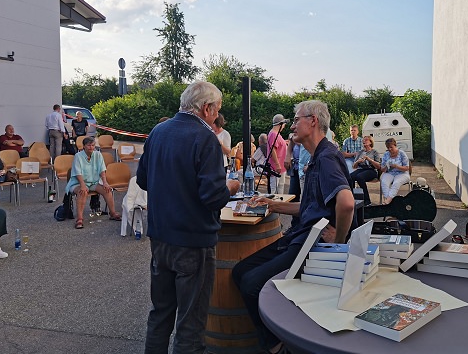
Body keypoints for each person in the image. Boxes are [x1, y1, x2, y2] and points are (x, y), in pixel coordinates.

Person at [232, 100, 355, 354]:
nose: (291, 126)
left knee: (252, 283)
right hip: (300, 235)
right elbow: (310, 207)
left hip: (311, 243)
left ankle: (278, 347)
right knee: (240, 271)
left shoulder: (327, 157)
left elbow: (346, 204)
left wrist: (338, 242)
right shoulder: (317, 156)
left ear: (313, 121)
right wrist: (273, 205)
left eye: (296, 119)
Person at [136, 81, 240, 354]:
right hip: (193, 242)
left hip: (160, 237)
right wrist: (230, 187)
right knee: (190, 324)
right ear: (207, 108)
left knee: (160, 314)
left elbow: (144, 181)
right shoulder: (205, 138)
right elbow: (213, 197)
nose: (217, 115)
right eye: (217, 109)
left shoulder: (158, 131)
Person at [65, 136, 121, 229]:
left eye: (93, 145)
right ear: (84, 146)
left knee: (107, 189)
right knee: (82, 192)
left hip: (93, 181)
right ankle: (79, 219)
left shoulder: (98, 154)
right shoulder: (78, 156)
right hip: (78, 182)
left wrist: (105, 182)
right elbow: (77, 173)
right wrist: (82, 185)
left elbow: (102, 170)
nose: (91, 147)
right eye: (89, 145)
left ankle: (112, 213)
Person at [349, 135, 380, 206]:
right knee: (350, 177)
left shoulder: (374, 152)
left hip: (371, 170)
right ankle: (352, 198)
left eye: (366, 140)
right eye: (363, 140)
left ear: (370, 142)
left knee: (359, 177)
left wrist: (369, 159)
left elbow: (378, 166)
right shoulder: (359, 152)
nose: (364, 141)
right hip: (361, 169)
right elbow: (354, 166)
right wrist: (357, 162)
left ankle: (367, 200)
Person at [380, 137, 411, 205]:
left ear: (395, 145)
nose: (389, 149)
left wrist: (396, 166)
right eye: (388, 147)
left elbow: (406, 168)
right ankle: (391, 203)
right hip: (389, 173)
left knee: (396, 183)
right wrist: (386, 166)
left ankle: (387, 202)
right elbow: (382, 169)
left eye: (391, 147)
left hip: (402, 173)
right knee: (384, 182)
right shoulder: (386, 154)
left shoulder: (402, 153)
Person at [267, 114, 287, 193]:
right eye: (284, 124)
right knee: (275, 189)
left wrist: (284, 142)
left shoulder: (276, 134)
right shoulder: (273, 134)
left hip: (281, 166)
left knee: (280, 186)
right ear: (280, 124)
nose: (284, 127)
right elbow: (273, 150)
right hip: (276, 167)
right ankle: (275, 204)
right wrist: (277, 165)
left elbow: (277, 145)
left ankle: (280, 203)